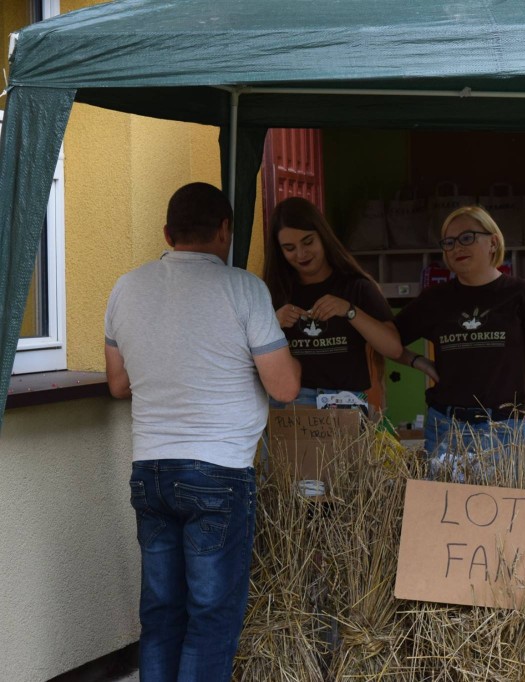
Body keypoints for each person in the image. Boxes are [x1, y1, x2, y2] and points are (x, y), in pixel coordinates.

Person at [104, 182, 301, 682]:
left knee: (161, 613)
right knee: (211, 617)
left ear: (167, 233)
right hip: (219, 472)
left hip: (150, 470)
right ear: (225, 231)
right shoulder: (244, 289)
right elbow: (284, 387)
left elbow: (118, 384)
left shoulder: (126, 287)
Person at [395, 205, 525, 469]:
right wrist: (419, 362)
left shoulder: (524, 296)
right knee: (442, 498)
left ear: (493, 243)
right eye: (449, 242)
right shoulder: (434, 299)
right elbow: (385, 339)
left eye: (467, 238)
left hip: (505, 431)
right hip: (446, 428)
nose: (457, 248)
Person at [263, 197, 402, 410]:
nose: (301, 254)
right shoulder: (272, 291)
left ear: (323, 236)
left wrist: (349, 311)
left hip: (345, 401)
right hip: (291, 404)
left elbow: (394, 348)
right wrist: (272, 324)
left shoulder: (357, 287)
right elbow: (246, 357)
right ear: (279, 250)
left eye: (308, 242)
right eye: (289, 248)